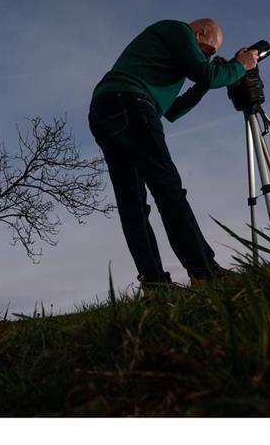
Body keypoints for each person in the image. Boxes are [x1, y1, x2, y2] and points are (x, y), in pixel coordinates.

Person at [88, 18, 259, 289]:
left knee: (132, 204)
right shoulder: (178, 30)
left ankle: (155, 286)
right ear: (199, 33)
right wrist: (241, 65)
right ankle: (204, 272)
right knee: (168, 189)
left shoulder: (168, 63)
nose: (208, 57)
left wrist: (205, 82)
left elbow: (173, 111)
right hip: (129, 101)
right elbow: (209, 75)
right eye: (209, 50)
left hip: (106, 109)